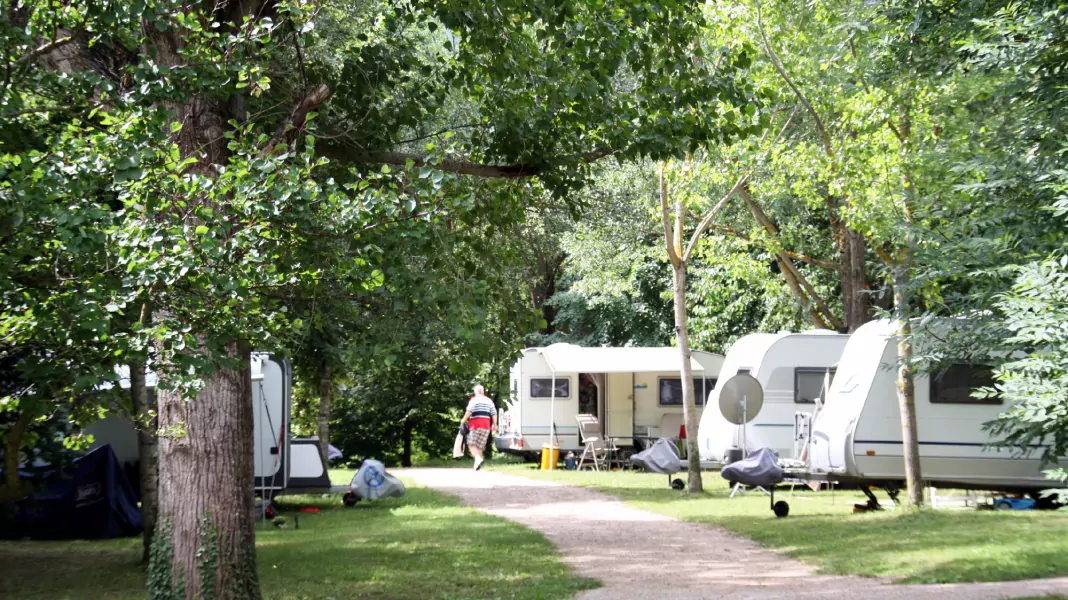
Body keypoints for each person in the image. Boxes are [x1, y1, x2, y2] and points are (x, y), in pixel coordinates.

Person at [460, 384, 497, 470]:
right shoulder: (489, 401)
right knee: (480, 446)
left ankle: (477, 458)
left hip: (475, 425)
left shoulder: (474, 400)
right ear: (483, 392)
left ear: (475, 392)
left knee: (471, 443)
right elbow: (494, 413)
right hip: (486, 426)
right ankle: (477, 465)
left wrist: (463, 420)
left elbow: (469, 411)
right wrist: (495, 425)